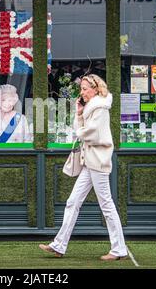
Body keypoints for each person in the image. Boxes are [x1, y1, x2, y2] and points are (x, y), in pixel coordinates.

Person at [39, 74, 128, 261]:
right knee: (73, 202)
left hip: (98, 161)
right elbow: (83, 131)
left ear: (96, 89)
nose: (82, 92)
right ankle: (59, 245)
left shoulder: (100, 108)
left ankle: (119, 249)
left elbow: (92, 134)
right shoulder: (92, 108)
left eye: (85, 89)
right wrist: (79, 114)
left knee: (106, 205)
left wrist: (79, 128)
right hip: (90, 161)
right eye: (82, 89)